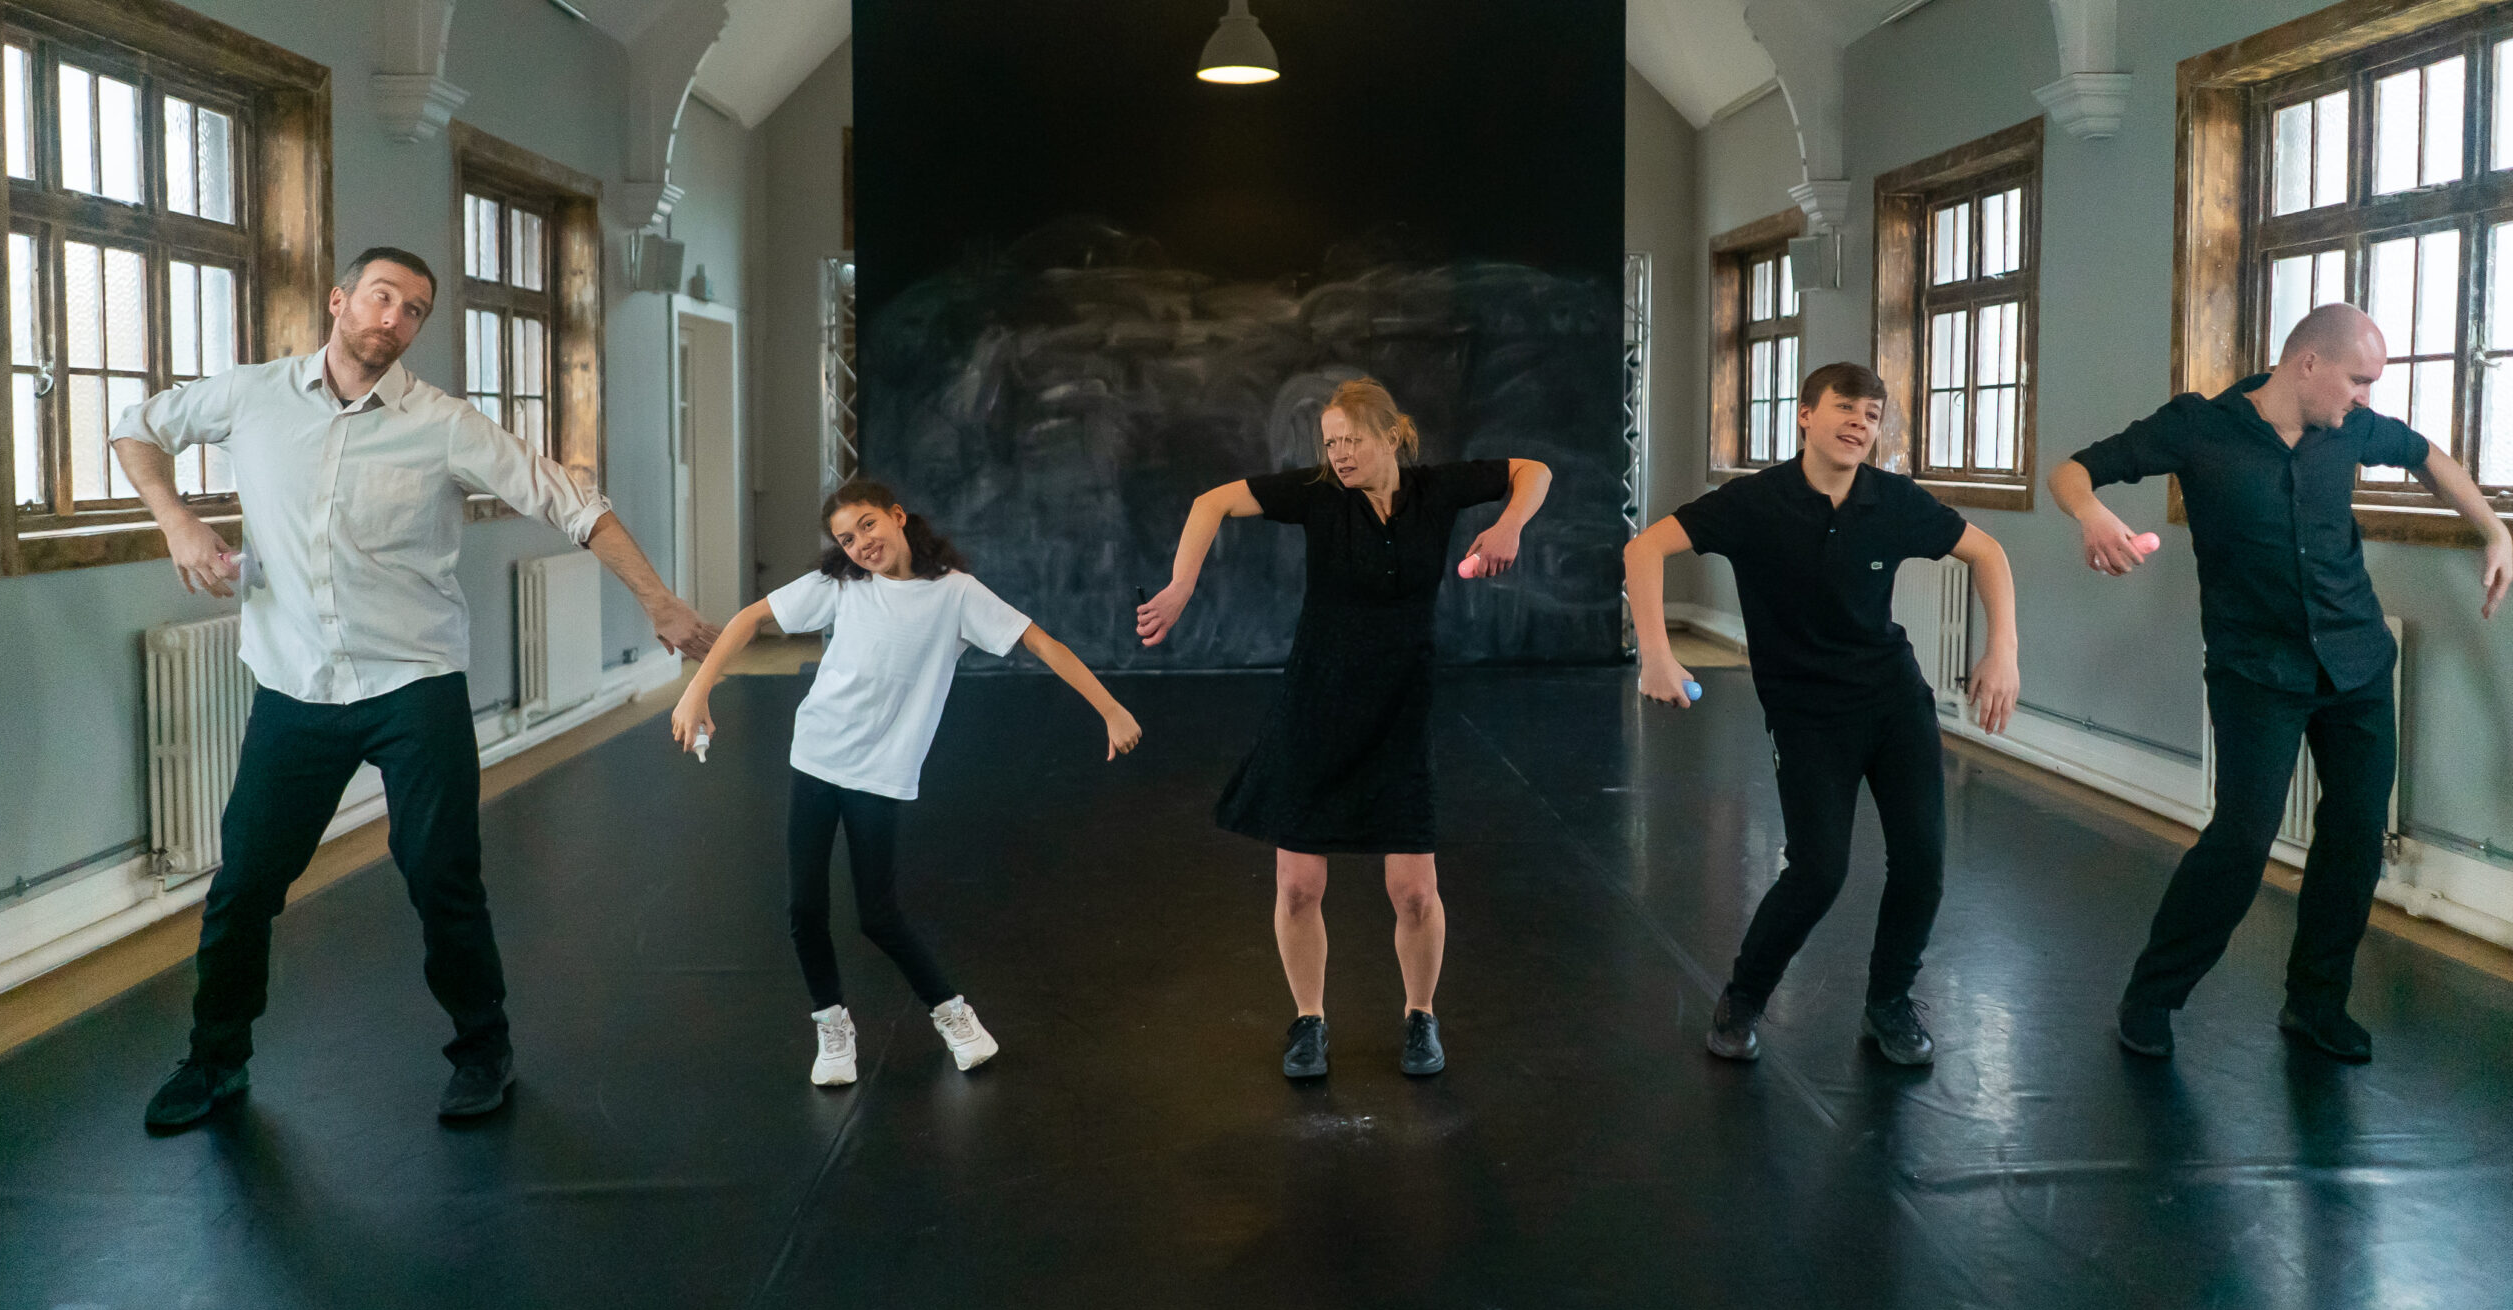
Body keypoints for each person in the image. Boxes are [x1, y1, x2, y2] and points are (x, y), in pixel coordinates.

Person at [113, 248, 716, 1132]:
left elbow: (571, 502)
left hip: (414, 685)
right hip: (296, 689)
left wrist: (657, 599)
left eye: (413, 311)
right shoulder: (251, 395)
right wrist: (175, 518)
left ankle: (483, 1051)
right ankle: (215, 1061)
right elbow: (136, 424)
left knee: (442, 876)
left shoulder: (442, 423)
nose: (392, 320)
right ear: (340, 300)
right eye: (382, 298)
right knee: (243, 884)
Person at [2052, 303, 2509, 1064]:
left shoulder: (2352, 429)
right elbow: (2071, 471)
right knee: (2240, 839)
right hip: (2257, 671)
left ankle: (2315, 1003)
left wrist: (2494, 528)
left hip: (2357, 664)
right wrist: (2093, 515)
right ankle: (2153, 996)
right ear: (2308, 365)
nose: (2366, 398)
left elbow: (2430, 456)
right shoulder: (2199, 427)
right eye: (2358, 380)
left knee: (2355, 837)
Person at [1136, 377, 1551, 1081]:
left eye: (1351, 439)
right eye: (1329, 442)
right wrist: (1180, 584)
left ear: (1392, 436)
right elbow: (1211, 502)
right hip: (1317, 705)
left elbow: (1534, 472)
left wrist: (1510, 523)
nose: (1339, 453)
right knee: (1298, 886)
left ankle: (1420, 1015)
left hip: (1400, 708)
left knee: (1415, 892)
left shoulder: (1438, 491)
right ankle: (1309, 1020)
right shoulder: (1319, 495)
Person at [672, 477, 1141, 1087]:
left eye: (868, 525)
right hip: (816, 758)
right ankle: (832, 1025)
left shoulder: (956, 595)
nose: (861, 542)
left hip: (881, 773)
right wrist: (697, 688)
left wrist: (1110, 708)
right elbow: (750, 620)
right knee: (804, 908)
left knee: (879, 914)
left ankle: (953, 1014)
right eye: (846, 537)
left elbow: (1041, 643)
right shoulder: (840, 584)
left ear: (896, 517)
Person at [1623, 361, 2018, 1069]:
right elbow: (1644, 547)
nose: (1859, 424)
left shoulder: (1892, 501)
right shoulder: (1753, 502)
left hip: (1893, 700)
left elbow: (1986, 552)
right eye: (1845, 408)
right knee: (1818, 870)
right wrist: (1656, 652)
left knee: (1923, 862)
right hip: (1807, 714)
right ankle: (1743, 999)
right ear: (1805, 416)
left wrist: (2004, 653)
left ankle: (1888, 1004)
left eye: (1871, 415)